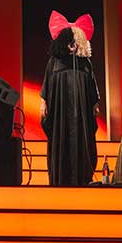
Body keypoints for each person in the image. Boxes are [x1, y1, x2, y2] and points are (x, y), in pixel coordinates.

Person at [41, 22, 101, 186]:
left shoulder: (84, 63)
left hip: (81, 113)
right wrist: (43, 102)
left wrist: (95, 103)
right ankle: (60, 179)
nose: (72, 44)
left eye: (75, 40)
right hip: (59, 113)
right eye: (69, 40)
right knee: (61, 140)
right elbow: (46, 85)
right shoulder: (54, 62)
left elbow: (92, 85)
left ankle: (82, 178)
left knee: (82, 140)